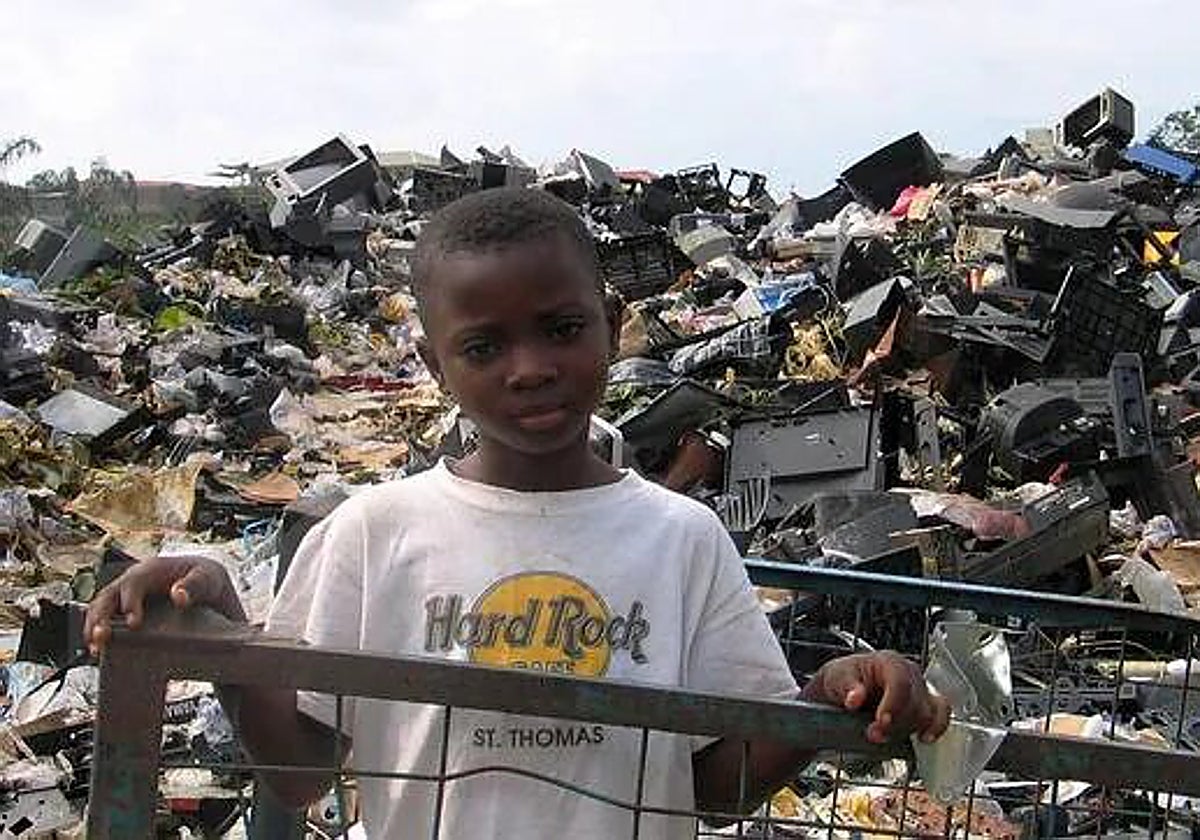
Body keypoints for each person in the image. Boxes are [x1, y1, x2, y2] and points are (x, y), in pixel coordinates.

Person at [85, 188, 948, 839]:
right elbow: (303, 771)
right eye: (485, 347)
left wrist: (825, 698)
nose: (529, 368)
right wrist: (229, 636)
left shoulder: (682, 539)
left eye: (562, 328)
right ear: (432, 362)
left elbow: (716, 787)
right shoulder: (373, 533)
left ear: (612, 325)